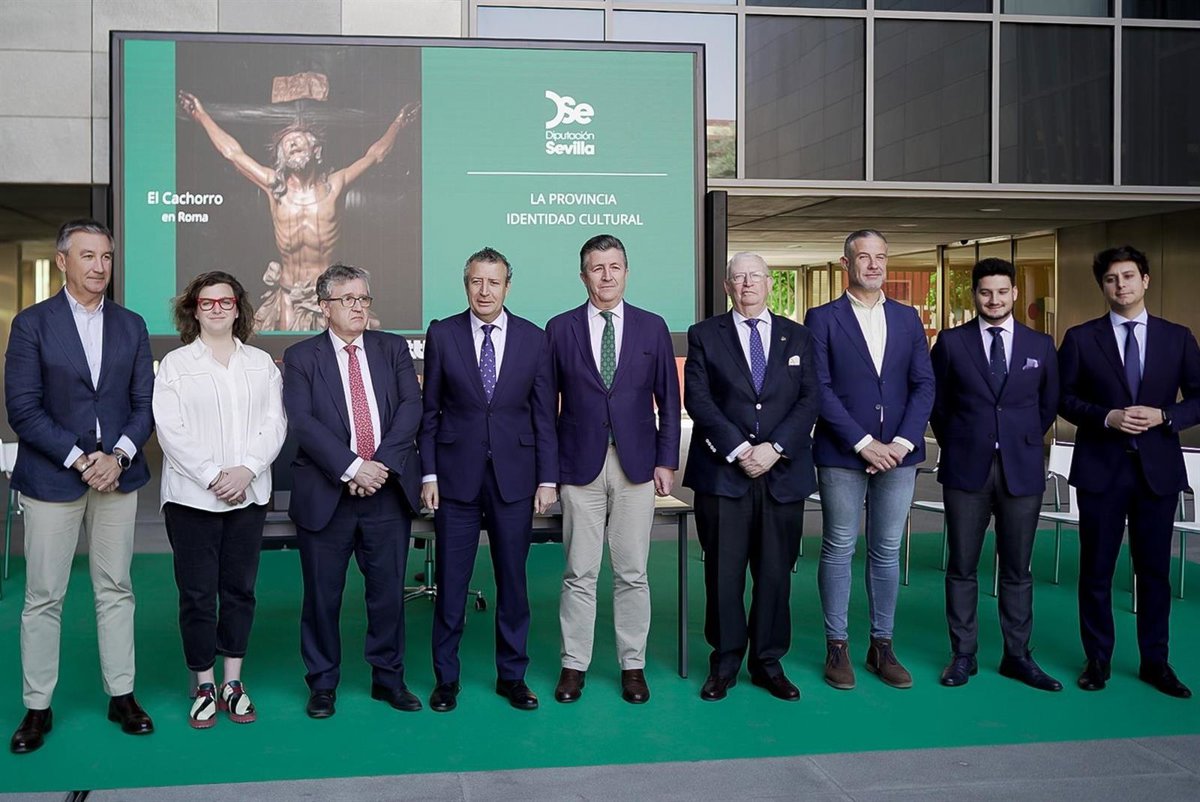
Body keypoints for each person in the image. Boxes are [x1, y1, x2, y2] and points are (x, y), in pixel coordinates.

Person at [5, 219, 155, 754]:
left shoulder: (132, 325)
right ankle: (37, 707)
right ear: (62, 261)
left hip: (118, 474)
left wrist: (117, 456)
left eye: (106, 257)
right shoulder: (31, 324)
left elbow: (144, 405)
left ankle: (122, 695)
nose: (99, 266)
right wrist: (80, 458)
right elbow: (23, 408)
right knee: (44, 594)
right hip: (52, 478)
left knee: (116, 588)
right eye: (88, 256)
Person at [419, 247, 559, 712]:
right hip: (454, 479)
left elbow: (544, 416)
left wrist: (547, 479)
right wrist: (429, 472)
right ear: (467, 285)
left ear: (507, 286)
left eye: (493, 282)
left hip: (515, 480)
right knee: (451, 585)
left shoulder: (534, 339)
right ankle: (446, 679)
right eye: (476, 282)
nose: (485, 291)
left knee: (513, 584)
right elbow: (430, 411)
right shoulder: (443, 334)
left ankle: (512, 676)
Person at [282, 263, 423, 717]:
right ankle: (322, 683)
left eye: (364, 299)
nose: (358, 307)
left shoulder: (392, 348)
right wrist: (352, 468)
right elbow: (302, 422)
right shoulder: (301, 357)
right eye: (348, 299)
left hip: (386, 489)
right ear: (325, 307)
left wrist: (379, 467)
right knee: (322, 597)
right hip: (327, 495)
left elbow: (411, 407)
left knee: (387, 594)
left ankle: (388, 679)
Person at [545, 234, 681, 705]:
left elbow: (669, 400)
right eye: (597, 268)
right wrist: (548, 473)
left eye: (614, 266)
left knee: (632, 572)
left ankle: (632, 665)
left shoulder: (652, 326)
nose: (606, 276)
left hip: (636, 467)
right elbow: (543, 407)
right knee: (578, 572)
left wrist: (667, 460)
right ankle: (573, 665)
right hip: (577, 466)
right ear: (583, 275)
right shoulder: (559, 328)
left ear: (626, 272)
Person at [1059, 245, 1200, 698]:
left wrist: (1166, 416)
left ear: (1145, 281)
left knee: (1154, 572)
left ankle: (1155, 662)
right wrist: (1107, 417)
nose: (1121, 285)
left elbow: (1198, 398)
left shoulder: (1177, 337)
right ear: (1102, 286)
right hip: (1101, 470)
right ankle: (1097, 660)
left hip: (1157, 473)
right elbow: (1062, 398)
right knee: (1096, 570)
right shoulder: (1081, 338)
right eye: (1111, 279)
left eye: (1128, 276)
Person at [683, 252, 820, 702]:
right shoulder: (704, 335)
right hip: (724, 475)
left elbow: (810, 399)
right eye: (738, 278)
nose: (747, 284)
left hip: (783, 475)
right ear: (727, 286)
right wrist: (741, 450)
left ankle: (768, 663)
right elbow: (698, 399)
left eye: (755, 276)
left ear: (769, 282)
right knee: (723, 574)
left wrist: (774, 448)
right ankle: (724, 662)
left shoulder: (798, 336)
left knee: (775, 573)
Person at [153, 271, 287, 727]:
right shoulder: (175, 365)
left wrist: (247, 469)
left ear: (237, 308)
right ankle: (204, 683)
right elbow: (171, 431)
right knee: (196, 594)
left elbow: (275, 423)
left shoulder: (261, 363)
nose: (216, 309)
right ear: (193, 310)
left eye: (224, 301)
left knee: (239, 590)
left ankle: (233, 681)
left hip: (249, 495)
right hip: (191, 499)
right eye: (206, 302)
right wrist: (213, 476)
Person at [803, 229, 934, 691]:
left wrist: (900, 443)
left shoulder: (907, 317)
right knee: (839, 545)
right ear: (847, 264)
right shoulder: (822, 318)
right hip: (842, 452)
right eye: (864, 257)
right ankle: (837, 646)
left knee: (886, 548)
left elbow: (924, 384)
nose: (874, 265)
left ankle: (882, 646)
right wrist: (863, 443)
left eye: (881, 256)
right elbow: (819, 388)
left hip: (899, 454)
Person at [177, 90, 419, 331]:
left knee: (334, 349)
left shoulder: (335, 185)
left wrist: (398, 123)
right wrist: (200, 114)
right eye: (286, 142)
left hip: (328, 295)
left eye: (299, 139)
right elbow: (233, 154)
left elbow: (375, 156)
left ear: (316, 151)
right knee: (288, 347)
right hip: (288, 292)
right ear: (281, 156)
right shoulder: (275, 187)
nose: (292, 143)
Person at [930, 258, 1062, 692]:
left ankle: (1017, 656)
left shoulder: (1041, 345)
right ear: (975, 295)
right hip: (966, 468)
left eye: (1002, 292)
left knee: (1018, 568)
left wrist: (1018, 439)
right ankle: (963, 654)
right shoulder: (951, 343)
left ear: (1015, 294)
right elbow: (937, 403)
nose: (994, 300)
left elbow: (1048, 404)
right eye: (986, 292)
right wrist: (962, 441)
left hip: (1021, 470)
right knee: (962, 565)